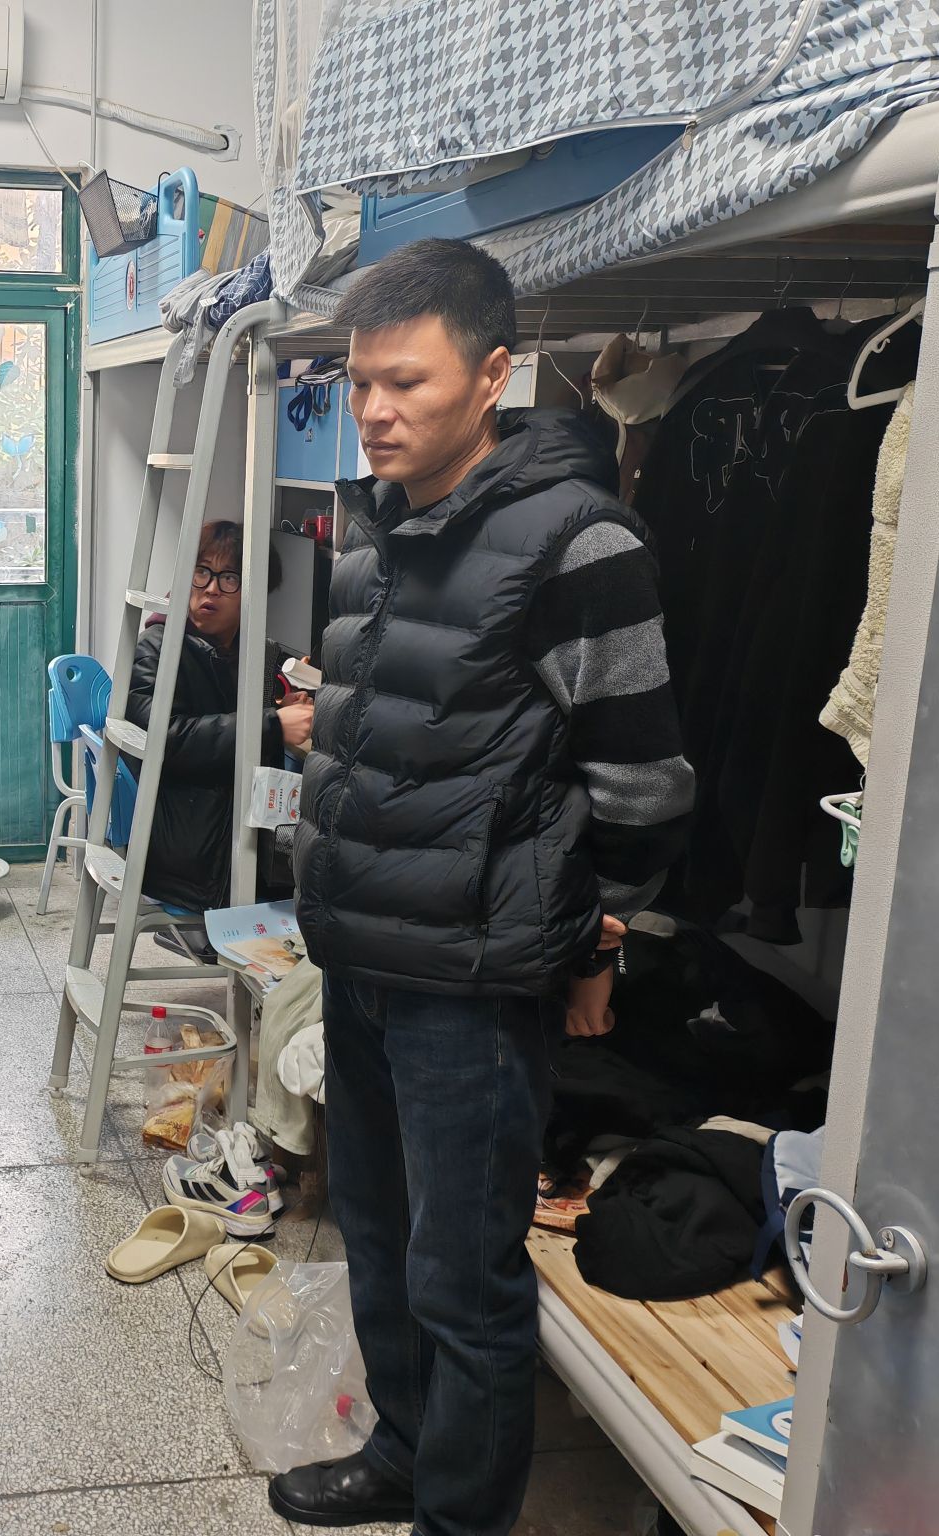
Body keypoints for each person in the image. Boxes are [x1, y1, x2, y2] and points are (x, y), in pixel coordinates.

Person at [277, 239, 694, 1534]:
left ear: (494, 375)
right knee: (378, 1239)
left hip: (470, 977)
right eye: (358, 384)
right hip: (361, 953)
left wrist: (594, 942)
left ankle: (459, 1519)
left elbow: (642, 785)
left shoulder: (577, 544)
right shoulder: (377, 528)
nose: (373, 410)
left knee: (464, 1277)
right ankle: (404, 1453)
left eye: (404, 382)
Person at [123, 520, 313, 920]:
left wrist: (282, 705)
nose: (210, 588)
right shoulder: (157, 648)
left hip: (216, 837)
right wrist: (273, 724)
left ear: (256, 593)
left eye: (229, 578)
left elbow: (223, 718)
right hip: (189, 855)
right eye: (202, 572)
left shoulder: (240, 651)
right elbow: (166, 739)